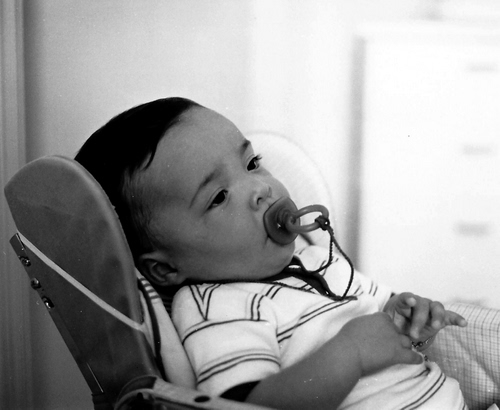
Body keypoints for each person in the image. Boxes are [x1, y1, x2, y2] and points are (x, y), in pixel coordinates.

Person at [75, 97, 468, 409]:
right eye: (219, 196)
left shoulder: (318, 258)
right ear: (164, 268)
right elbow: (247, 405)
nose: (260, 188)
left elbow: (382, 314)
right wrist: (351, 354)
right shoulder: (218, 308)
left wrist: (406, 317)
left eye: (252, 163)